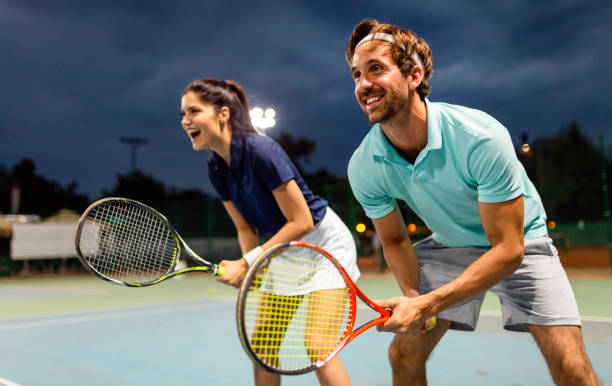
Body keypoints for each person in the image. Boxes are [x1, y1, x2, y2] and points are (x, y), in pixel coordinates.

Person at [344, 19, 601, 385]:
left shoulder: (480, 137)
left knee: (572, 370)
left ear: (413, 75)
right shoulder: (364, 166)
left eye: (376, 69)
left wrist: (427, 305)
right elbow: (396, 241)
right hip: (451, 244)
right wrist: (414, 298)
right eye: (356, 74)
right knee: (403, 354)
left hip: (521, 243)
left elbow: (508, 249)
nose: (363, 84)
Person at [180, 78, 360, 386]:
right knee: (262, 347)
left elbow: (301, 221)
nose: (185, 121)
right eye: (183, 114)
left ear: (223, 113)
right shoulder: (215, 167)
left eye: (194, 111)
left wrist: (247, 261)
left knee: (317, 346)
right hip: (284, 250)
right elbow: (244, 227)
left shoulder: (261, 150)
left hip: (323, 246)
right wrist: (253, 272)